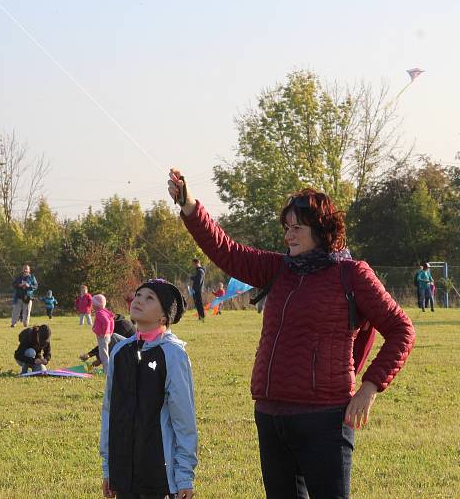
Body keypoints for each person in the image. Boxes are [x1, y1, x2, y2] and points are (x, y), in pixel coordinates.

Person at [168, 169, 415, 498]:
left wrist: (370, 387)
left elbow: (402, 330)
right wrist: (189, 205)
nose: (288, 236)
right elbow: (226, 251)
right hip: (270, 416)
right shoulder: (280, 268)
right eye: (286, 228)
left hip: (324, 419)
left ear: (322, 230)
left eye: (296, 228)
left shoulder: (352, 274)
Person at [100, 279, 196, 499]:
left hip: (158, 475)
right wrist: (109, 469)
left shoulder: (173, 354)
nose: (139, 300)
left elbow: (184, 419)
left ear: (164, 316)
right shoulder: (120, 351)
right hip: (124, 473)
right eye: (138, 294)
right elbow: (110, 412)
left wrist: (184, 476)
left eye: (149, 297)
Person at [91, 294, 115, 374]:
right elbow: (111, 322)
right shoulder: (105, 312)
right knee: (104, 354)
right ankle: (107, 370)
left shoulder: (99, 313)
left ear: (96, 305)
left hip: (103, 336)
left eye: (93, 304)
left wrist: (105, 332)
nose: (92, 306)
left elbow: (107, 322)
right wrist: (110, 332)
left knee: (103, 355)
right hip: (106, 336)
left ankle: (107, 371)